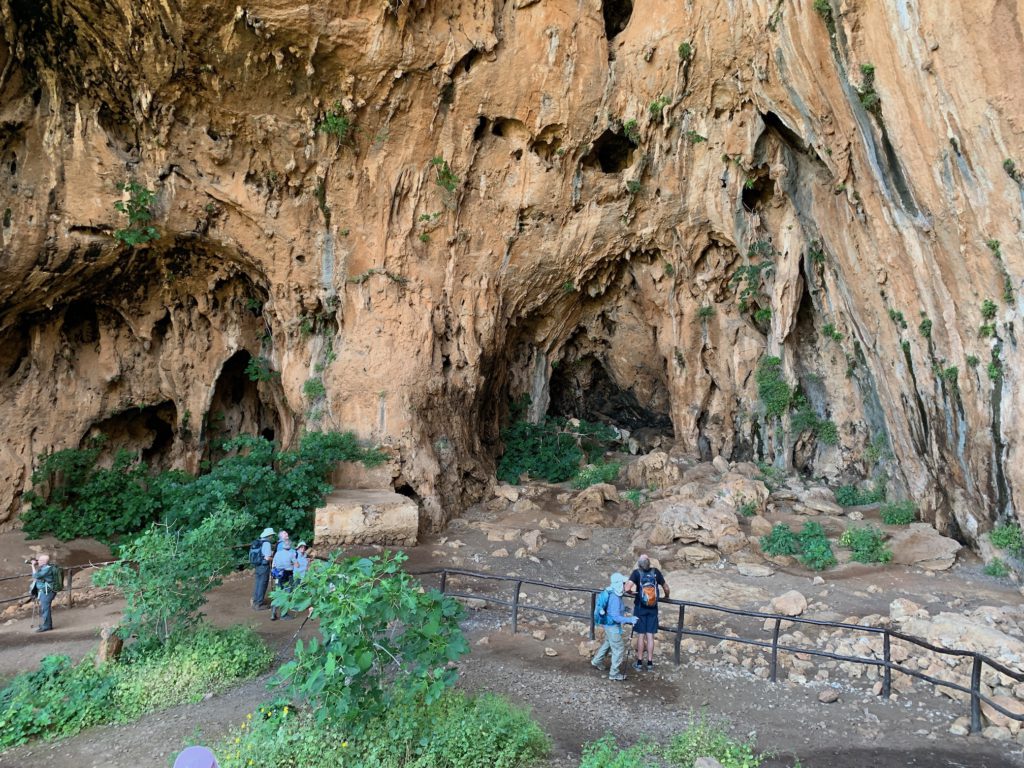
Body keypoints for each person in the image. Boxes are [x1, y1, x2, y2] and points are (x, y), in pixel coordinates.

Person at [626, 554, 669, 671]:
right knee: (650, 636)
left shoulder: (636, 573)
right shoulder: (656, 572)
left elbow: (627, 588)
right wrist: (666, 597)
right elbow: (666, 587)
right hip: (653, 608)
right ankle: (650, 663)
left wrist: (632, 593)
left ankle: (639, 663)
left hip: (640, 607)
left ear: (639, 564)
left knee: (641, 635)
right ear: (649, 563)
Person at [591, 573, 637, 681]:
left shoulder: (613, 593)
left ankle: (596, 661)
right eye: (624, 583)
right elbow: (616, 617)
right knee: (619, 648)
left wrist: (625, 609)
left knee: (608, 643)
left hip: (608, 625)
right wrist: (630, 619)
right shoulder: (615, 597)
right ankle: (614, 673)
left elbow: (613, 610)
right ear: (619, 584)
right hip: (612, 627)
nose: (625, 585)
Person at [270, 538, 295, 621]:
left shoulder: (277, 554)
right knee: (286, 594)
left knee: (277, 593)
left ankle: (273, 613)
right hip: (287, 576)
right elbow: (296, 565)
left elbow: (273, 565)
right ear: (290, 546)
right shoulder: (290, 554)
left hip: (278, 576)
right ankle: (284, 614)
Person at [30, 554, 56, 632]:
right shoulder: (47, 567)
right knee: (45, 608)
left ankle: (47, 626)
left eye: (39, 560)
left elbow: (35, 576)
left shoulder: (46, 570)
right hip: (46, 591)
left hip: (47, 592)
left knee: (45, 609)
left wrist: (32, 566)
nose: (38, 561)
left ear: (44, 562)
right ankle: (47, 624)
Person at [252, 527, 275, 610]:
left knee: (258, 583)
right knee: (263, 584)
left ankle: (255, 601)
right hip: (264, 567)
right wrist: (274, 559)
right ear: (269, 535)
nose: (272, 537)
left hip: (258, 565)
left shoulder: (259, 542)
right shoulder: (267, 543)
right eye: (272, 535)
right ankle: (259, 604)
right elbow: (267, 557)